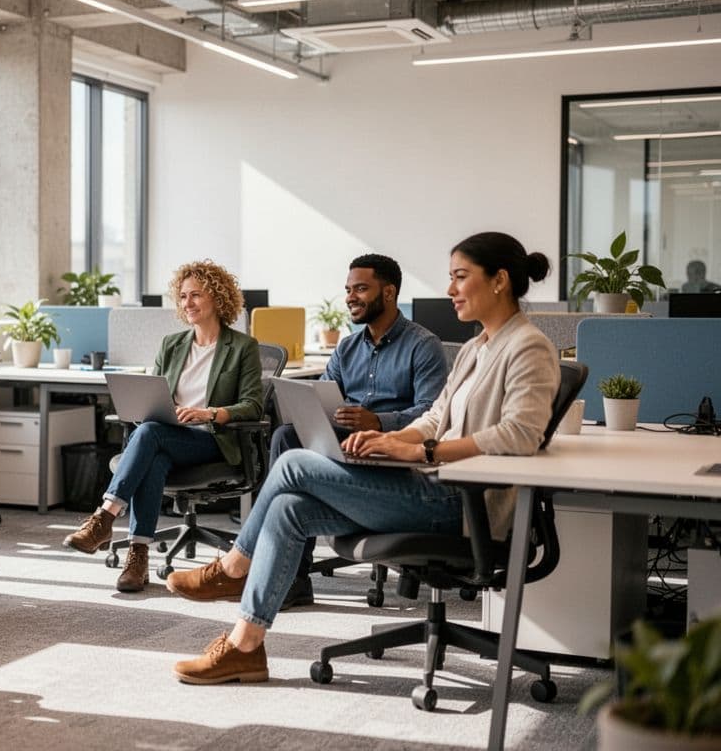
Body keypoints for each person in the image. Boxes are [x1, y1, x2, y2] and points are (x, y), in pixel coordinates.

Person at [164, 232, 558, 685]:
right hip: (425, 481)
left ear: (499, 281)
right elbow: (435, 415)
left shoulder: (528, 346)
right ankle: (245, 646)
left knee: (293, 462)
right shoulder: (475, 348)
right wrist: (394, 440)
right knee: (291, 509)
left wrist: (418, 449)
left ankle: (234, 567)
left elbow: (521, 435)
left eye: (460, 277)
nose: (450, 289)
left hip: (462, 502)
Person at [62, 259, 265, 593]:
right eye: (183, 296)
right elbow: (156, 392)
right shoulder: (172, 345)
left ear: (217, 298)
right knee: (153, 452)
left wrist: (209, 413)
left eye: (196, 295)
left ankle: (104, 519)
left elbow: (252, 405)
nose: (187, 303)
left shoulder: (242, 347)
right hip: (169, 436)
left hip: (213, 440)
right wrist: (145, 406)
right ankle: (138, 557)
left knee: (150, 435)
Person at [274, 254, 448, 609]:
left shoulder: (423, 345)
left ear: (389, 292)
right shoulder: (346, 347)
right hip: (345, 442)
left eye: (361, 288)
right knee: (285, 437)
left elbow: (434, 413)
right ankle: (294, 576)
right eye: (348, 289)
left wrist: (379, 422)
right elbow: (320, 394)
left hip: (393, 452)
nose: (351, 296)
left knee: (293, 463)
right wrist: (314, 412)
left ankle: (257, 561)